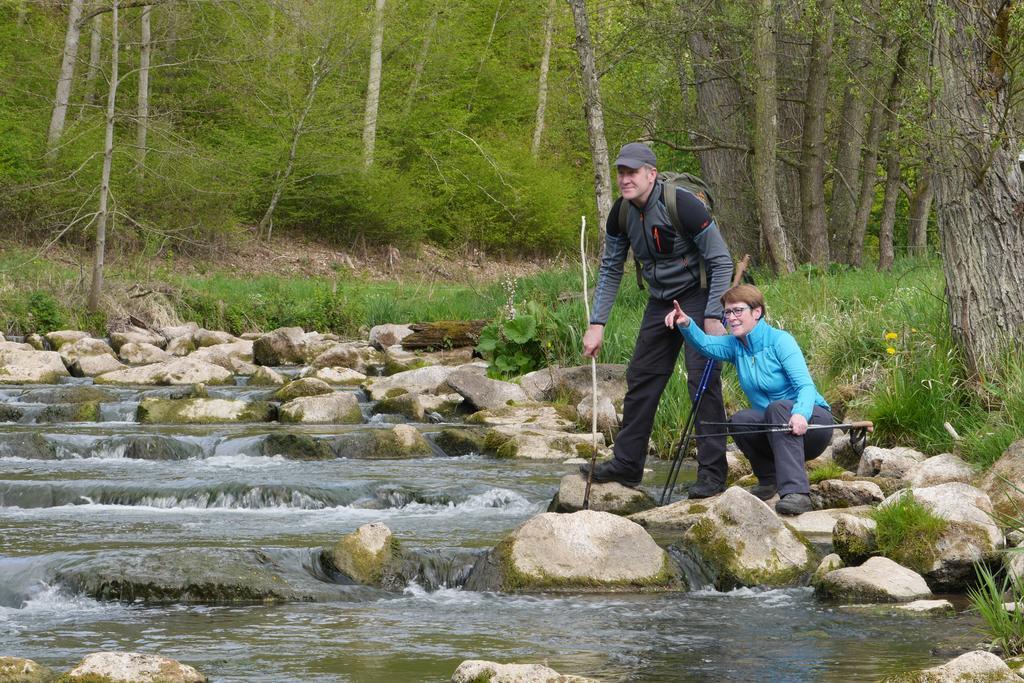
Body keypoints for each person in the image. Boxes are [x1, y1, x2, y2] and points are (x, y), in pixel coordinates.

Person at [580, 142, 733, 497]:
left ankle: (712, 476)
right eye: (620, 172)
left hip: (697, 297)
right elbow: (610, 268)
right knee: (641, 379)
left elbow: (721, 260)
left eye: (632, 172)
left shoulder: (685, 206)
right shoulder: (620, 213)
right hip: (659, 301)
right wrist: (597, 323)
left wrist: (713, 316)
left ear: (651, 174)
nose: (624, 178)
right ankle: (627, 465)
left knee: (702, 383)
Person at [663, 283, 834, 515]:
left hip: (812, 424)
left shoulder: (780, 341)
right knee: (740, 420)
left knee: (777, 408)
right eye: (727, 312)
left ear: (757, 312)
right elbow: (705, 344)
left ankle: (797, 493)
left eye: (737, 311)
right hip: (775, 427)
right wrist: (686, 324)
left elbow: (805, 386)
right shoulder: (736, 346)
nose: (731, 317)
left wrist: (800, 413)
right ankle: (768, 480)